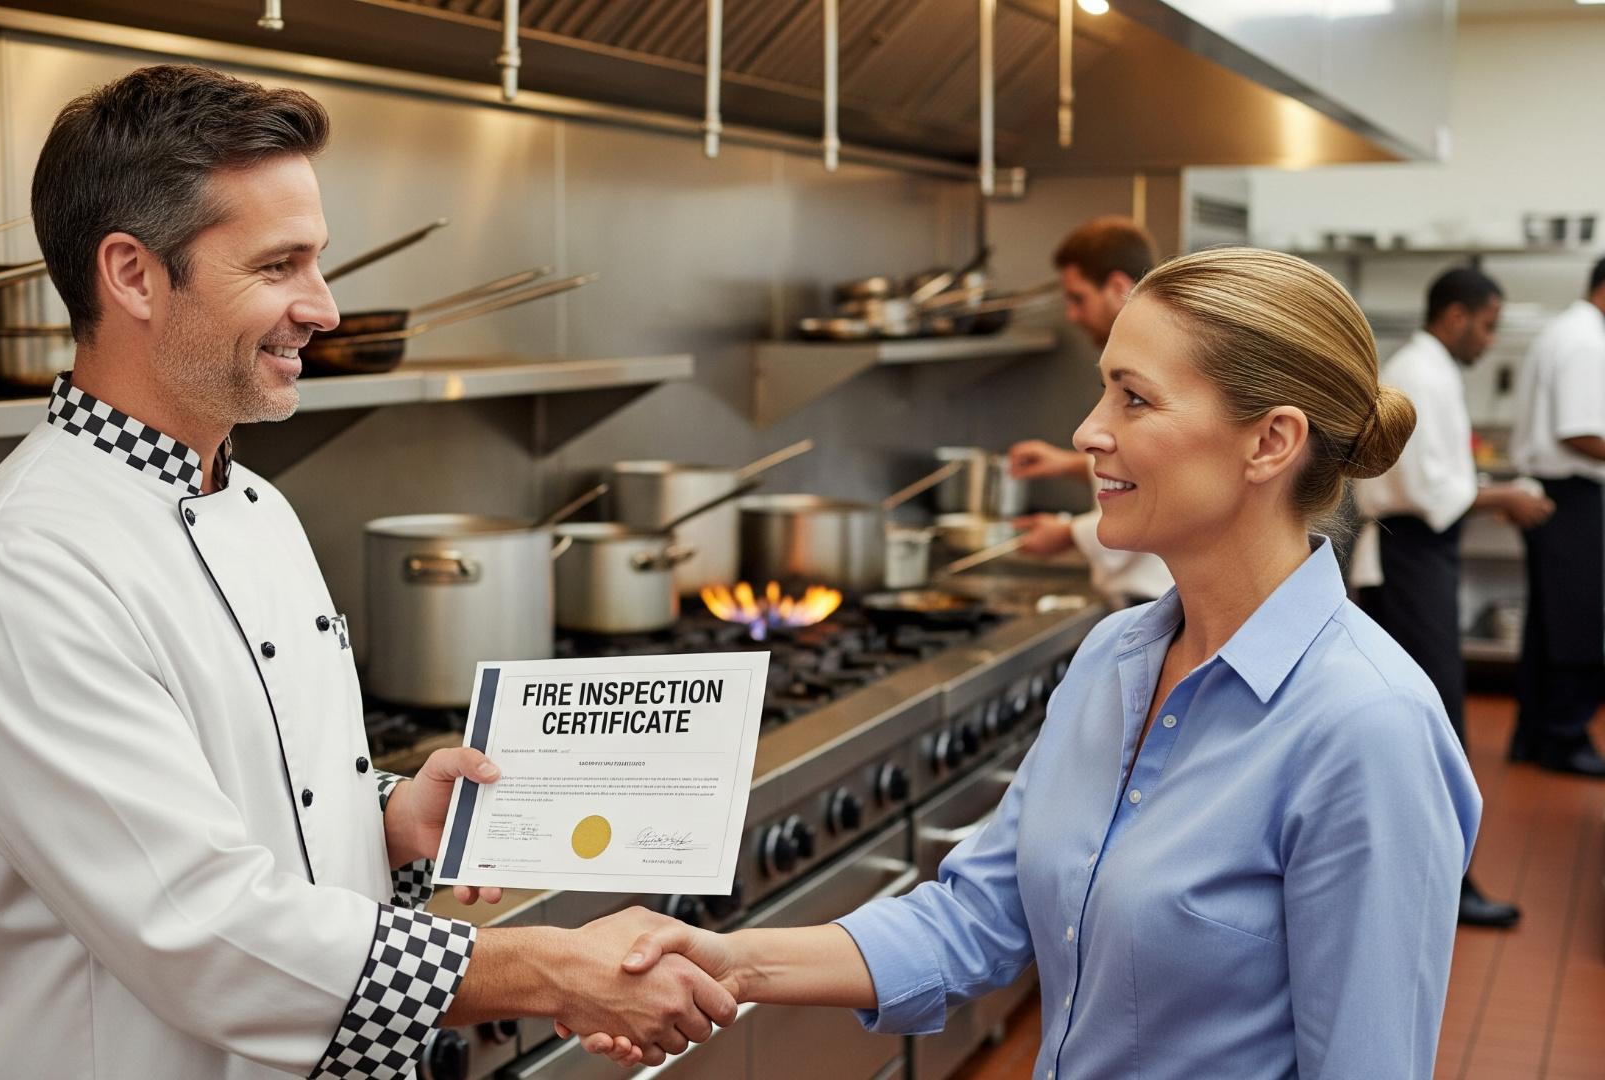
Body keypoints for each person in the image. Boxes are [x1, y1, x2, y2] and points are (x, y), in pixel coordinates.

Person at [0, 66, 731, 1080]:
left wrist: (384, 815)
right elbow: (200, 934)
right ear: (133, 276)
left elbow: (247, 792)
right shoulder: (21, 570)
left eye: (316, 262)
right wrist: (550, 968)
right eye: (280, 265)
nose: (325, 309)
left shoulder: (259, 508)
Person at [578, 249, 1482, 1078]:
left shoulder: (1369, 728)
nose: (1088, 432)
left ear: (1270, 442)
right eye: (1102, 393)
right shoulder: (1113, 659)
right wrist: (730, 959)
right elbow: (977, 919)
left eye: (1134, 398)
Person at [1353, 268, 1551, 927]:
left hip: (1417, 553)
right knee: (1432, 724)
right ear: (1456, 315)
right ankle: (1445, 883)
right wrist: (1506, 497)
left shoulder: (1430, 368)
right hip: (1408, 554)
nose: (1490, 341)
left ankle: (1436, 874)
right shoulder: (1420, 371)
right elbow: (1425, 491)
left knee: (1423, 720)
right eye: (1489, 325)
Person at [1009, 216, 1173, 606]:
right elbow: (1144, 461)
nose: (1071, 315)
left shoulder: (1160, 358)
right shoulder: (1143, 351)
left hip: (1155, 591)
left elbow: (1162, 482)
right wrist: (1067, 465)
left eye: (1078, 298)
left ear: (1118, 287)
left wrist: (1069, 534)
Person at [1507, 256, 1605, 777]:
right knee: (1578, 620)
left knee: (1550, 624)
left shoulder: (1564, 331)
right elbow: (1580, 432)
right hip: (1571, 492)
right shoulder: (1587, 340)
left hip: (1555, 489)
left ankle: (1534, 735)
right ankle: (1565, 737)